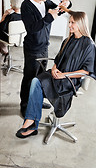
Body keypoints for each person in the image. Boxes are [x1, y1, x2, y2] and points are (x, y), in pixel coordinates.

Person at [16, 10, 96, 138]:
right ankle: (31, 122)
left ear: (80, 23)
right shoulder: (68, 40)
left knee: (38, 84)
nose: (69, 25)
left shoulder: (89, 45)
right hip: (57, 74)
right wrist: (53, 68)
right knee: (35, 81)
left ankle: (31, 123)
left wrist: (64, 75)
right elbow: (58, 60)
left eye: (72, 23)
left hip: (69, 80)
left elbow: (86, 71)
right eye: (69, 22)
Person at [20, 0, 72, 117]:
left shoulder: (46, 2)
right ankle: (25, 105)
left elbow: (59, 10)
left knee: (41, 78)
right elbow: (32, 28)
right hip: (32, 49)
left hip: (44, 46)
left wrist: (67, 4)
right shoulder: (26, 6)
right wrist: (49, 17)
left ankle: (36, 99)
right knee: (29, 78)